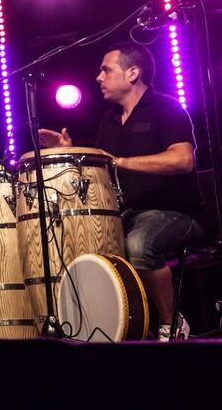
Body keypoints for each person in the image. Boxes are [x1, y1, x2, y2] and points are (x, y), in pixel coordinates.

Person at [39, 42, 205, 340]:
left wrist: (122, 161)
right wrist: (70, 151)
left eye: (106, 69)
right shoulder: (108, 121)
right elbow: (102, 165)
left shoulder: (166, 107)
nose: (98, 77)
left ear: (132, 73)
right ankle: (118, 330)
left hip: (177, 213)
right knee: (86, 246)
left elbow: (183, 160)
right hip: (129, 213)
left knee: (139, 244)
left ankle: (171, 324)